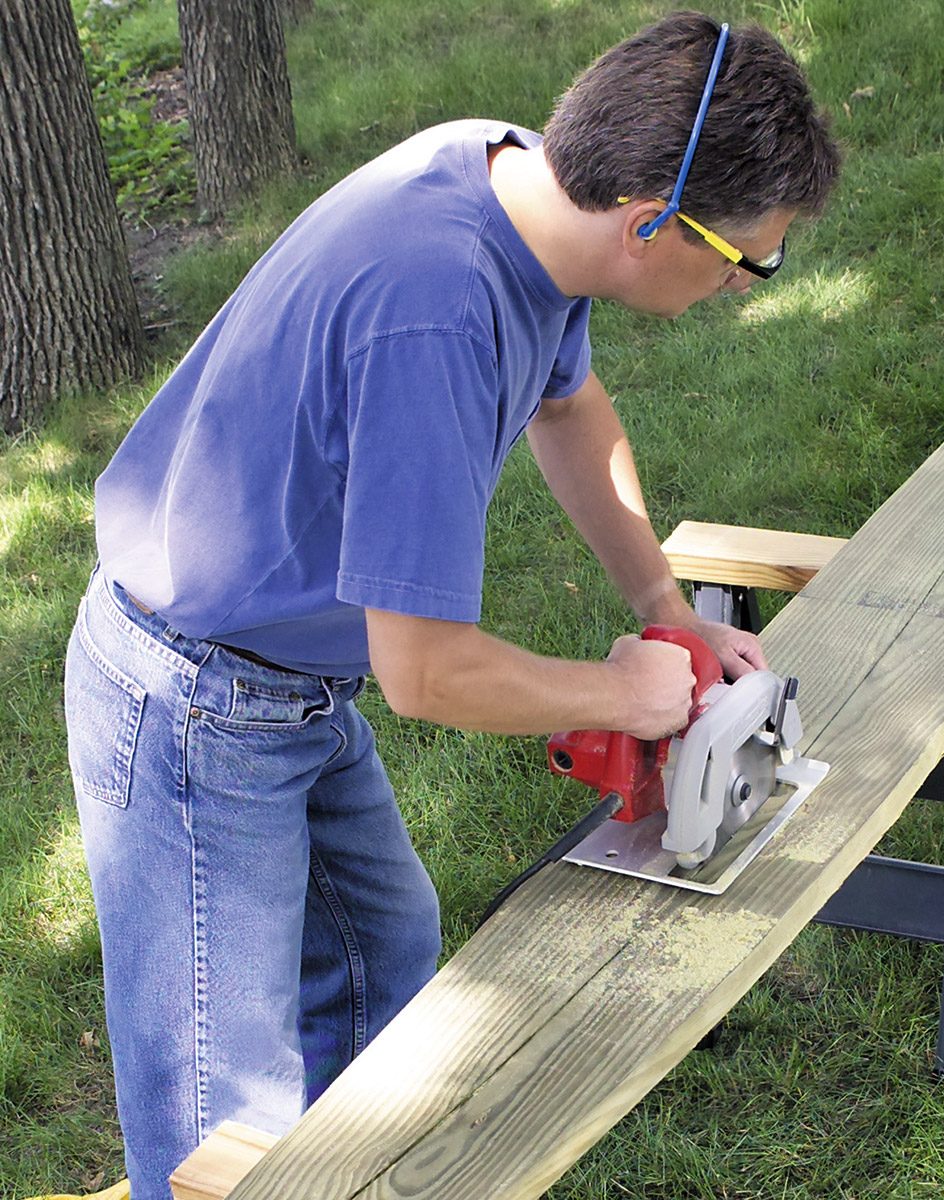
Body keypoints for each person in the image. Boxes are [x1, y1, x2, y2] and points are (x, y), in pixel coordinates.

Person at [61, 12, 840, 1199]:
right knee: (222, 1123)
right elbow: (428, 673)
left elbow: (570, 409)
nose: (748, 284)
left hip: (281, 678)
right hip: (193, 701)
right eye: (751, 259)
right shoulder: (433, 313)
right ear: (651, 224)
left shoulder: (513, 179)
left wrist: (662, 606)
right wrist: (621, 693)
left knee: (383, 955)